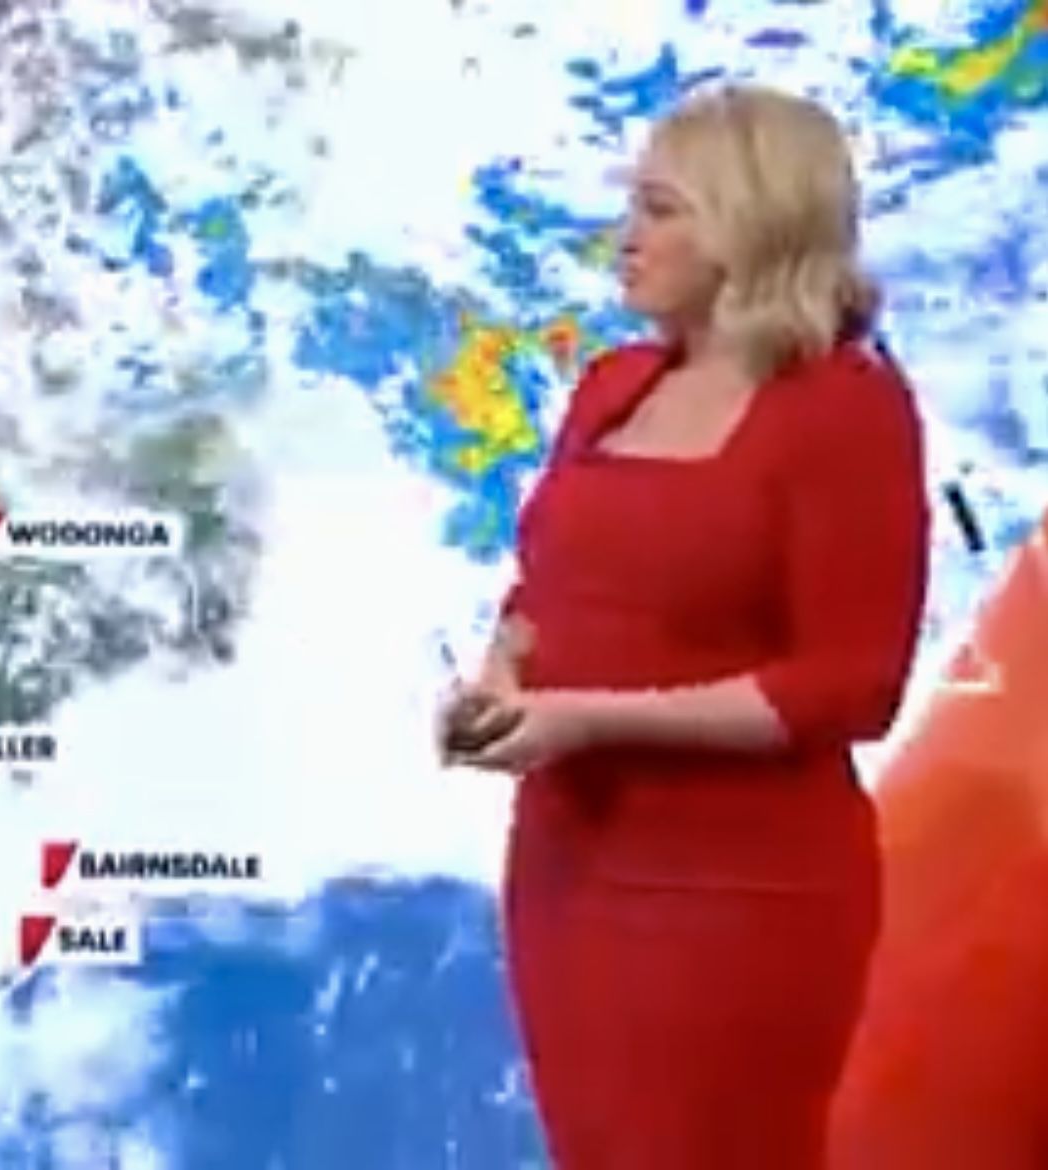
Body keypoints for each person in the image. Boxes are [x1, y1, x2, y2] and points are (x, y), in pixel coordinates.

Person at [435, 83, 930, 1168]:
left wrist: (588, 719)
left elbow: (851, 685)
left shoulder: (842, 408)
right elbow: (547, 584)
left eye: (660, 210)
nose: (626, 237)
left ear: (751, 225)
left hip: (738, 895)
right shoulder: (614, 385)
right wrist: (501, 681)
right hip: (568, 869)